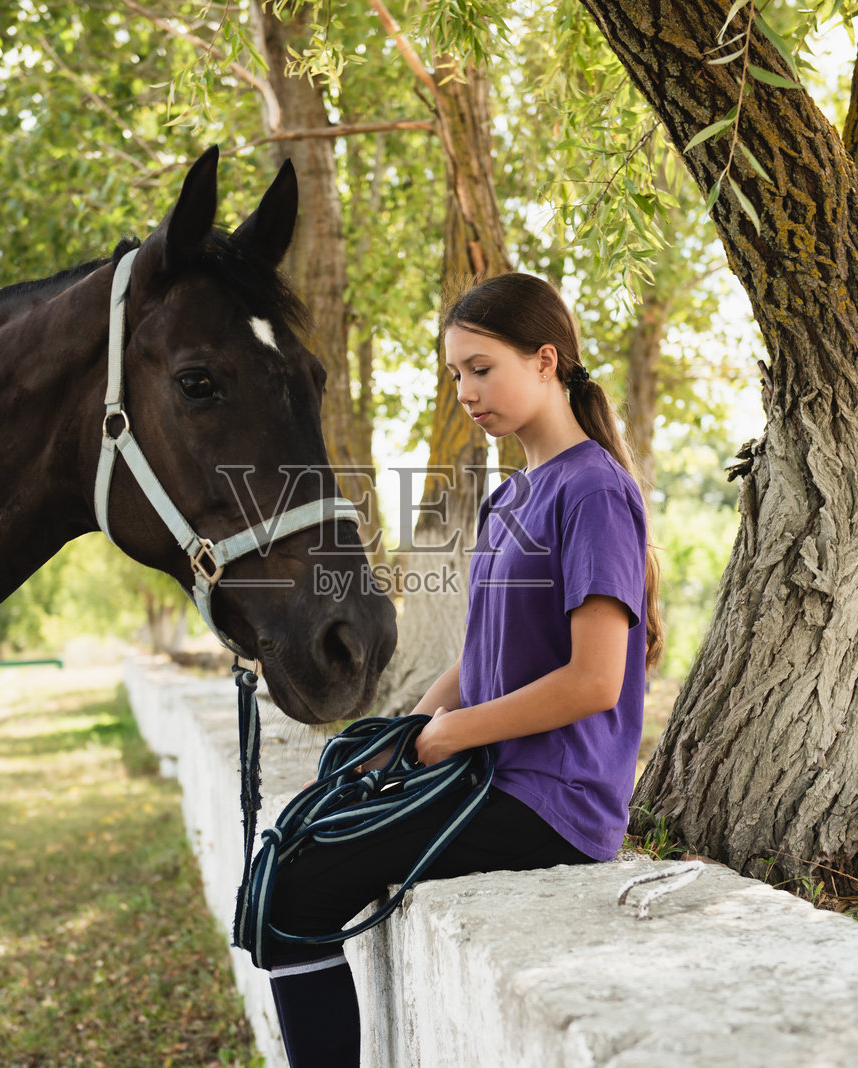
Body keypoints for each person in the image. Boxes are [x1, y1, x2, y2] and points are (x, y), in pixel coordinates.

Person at [260, 271, 665, 1067]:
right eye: (455, 374)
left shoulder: (592, 493)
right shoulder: (512, 494)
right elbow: (481, 657)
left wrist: (446, 739)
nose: (466, 391)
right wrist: (406, 726)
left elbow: (594, 680)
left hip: (553, 801)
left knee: (299, 890)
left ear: (546, 361)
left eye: (482, 368)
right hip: (491, 770)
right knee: (297, 839)